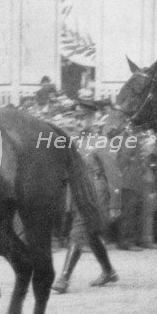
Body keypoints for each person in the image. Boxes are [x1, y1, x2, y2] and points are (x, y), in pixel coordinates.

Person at [52, 112, 120, 293]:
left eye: (83, 117)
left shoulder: (100, 142)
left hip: (95, 192)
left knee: (78, 231)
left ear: (91, 119)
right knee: (91, 235)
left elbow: (113, 173)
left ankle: (63, 278)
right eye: (77, 117)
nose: (80, 121)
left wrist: (115, 202)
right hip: (78, 192)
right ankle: (108, 271)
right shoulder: (72, 142)